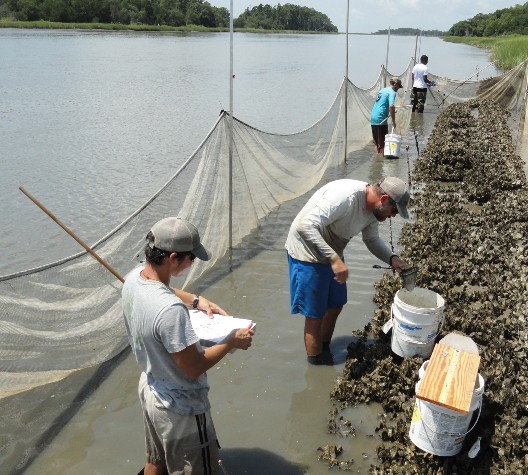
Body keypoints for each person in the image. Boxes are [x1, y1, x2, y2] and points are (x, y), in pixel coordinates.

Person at [122, 216, 254, 475]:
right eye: (190, 258)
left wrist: (196, 300)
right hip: (179, 407)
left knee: (156, 462)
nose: (191, 263)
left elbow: (162, 291)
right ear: (173, 258)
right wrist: (231, 341)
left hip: (150, 388)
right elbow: (193, 368)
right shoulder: (170, 312)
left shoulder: (133, 279)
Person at [285, 177, 411, 364]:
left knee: (336, 305)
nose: (392, 216)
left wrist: (392, 259)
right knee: (315, 315)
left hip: (332, 253)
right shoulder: (345, 198)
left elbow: (371, 240)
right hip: (307, 253)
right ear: (384, 199)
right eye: (394, 211)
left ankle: (325, 347)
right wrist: (334, 259)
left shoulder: (374, 211)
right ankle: (316, 363)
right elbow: (305, 226)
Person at [370, 77, 403, 155]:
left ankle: (376, 161)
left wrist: (392, 110)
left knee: (377, 143)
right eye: (398, 86)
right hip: (381, 120)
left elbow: (382, 104)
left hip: (374, 117)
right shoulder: (392, 92)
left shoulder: (382, 90)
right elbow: (391, 106)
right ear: (395, 84)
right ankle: (382, 163)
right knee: (383, 145)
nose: (398, 88)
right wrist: (393, 121)